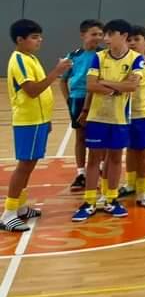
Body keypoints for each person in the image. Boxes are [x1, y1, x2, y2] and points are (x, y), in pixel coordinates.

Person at [3, 19, 71, 232]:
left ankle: (21, 206)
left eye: (40, 36)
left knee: (30, 165)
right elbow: (33, 90)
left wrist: (46, 119)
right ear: (20, 40)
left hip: (38, 120)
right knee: (24, 166)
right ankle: (8, 213)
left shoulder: (30, 58)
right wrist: (56, 72)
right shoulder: (19, 60)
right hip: (28, 121)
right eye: (34, 37)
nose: (39, 40)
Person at [72, 19, 143, 222]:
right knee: (94, 159)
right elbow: (91, 85)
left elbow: (131, 87)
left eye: (110, 34)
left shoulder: (137, 59)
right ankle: (89, 201)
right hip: (97, 117)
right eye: (105, 35)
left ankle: (111, 199)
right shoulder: (99, 57)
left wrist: (104, 82)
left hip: (120, 118)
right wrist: (116, 87)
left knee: (115, 159)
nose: (105, 39)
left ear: (123, 36)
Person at [58, 19, 102, 191]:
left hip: (97, 98)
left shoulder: (103, 55)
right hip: (77, 99)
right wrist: (68, 99)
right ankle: (81, 173)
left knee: (98, 136)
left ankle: (98, 169)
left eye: (100, 34)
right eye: (93, 34)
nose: (97, 37)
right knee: (80, 136)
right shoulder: (73, 56)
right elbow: (63, 81)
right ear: (83, 35)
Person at [120, 26, 145, 208]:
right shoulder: (122, 61)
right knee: (128, 149)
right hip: (121, 114)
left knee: (143, 151)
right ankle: (130, 183)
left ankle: (144, 190)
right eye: (129, 40)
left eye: (137, 39)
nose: (132, 43)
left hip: (143, 114)